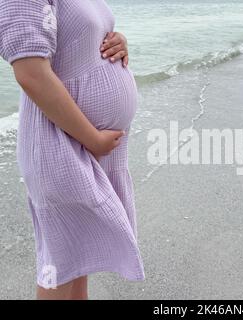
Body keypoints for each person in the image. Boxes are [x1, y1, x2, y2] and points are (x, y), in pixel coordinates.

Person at [0, 0, 145, 300]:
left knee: (78, 258)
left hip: (89, 145)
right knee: (60, 267)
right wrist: (92, 139)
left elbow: (79, 39)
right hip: (60, 141)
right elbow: (31, 74)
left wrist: (117, 43)